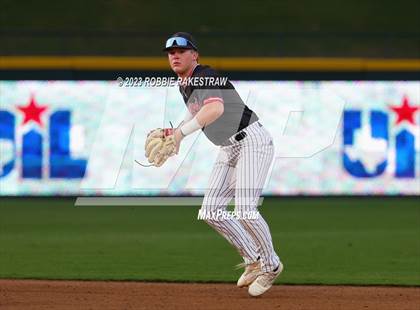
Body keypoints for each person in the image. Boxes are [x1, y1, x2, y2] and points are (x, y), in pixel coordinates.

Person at [165, 32, 283, 297]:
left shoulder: (204, 74)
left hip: (251, 140)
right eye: (170, 52)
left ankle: (271, 265)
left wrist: (182, 134)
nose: (174, 55)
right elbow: (196, 111)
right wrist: (175, 133)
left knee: (245, 210)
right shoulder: (185, 84)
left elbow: (214, 110)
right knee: (211, 211)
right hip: (228, 147)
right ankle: (253, 260)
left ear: (194, 55)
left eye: (181, 51)